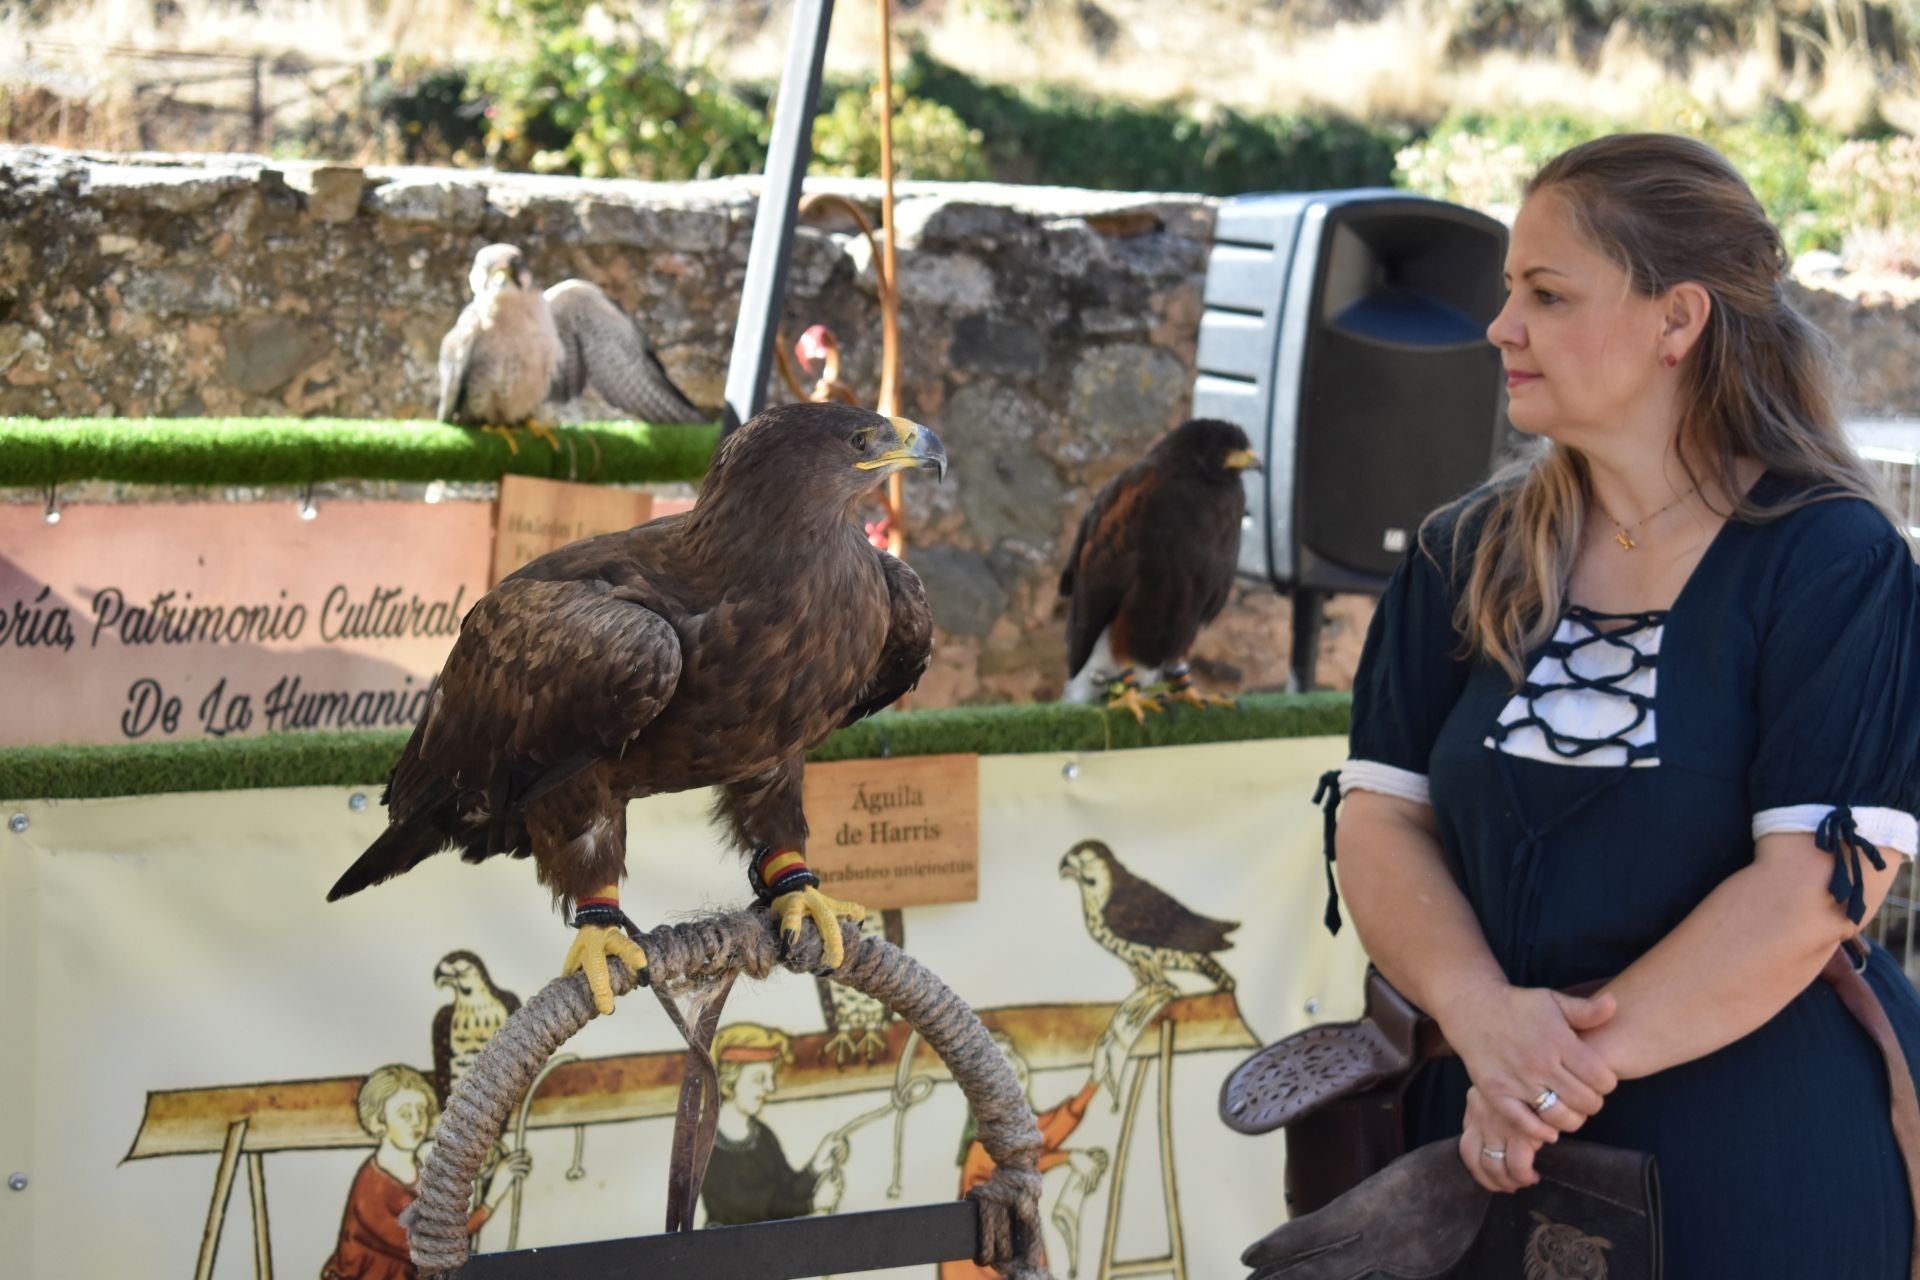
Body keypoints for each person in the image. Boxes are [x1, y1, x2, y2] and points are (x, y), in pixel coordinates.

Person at [1326, 132, 1920, 1277]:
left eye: (1547, 294)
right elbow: (1380, 815)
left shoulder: (1830, 562)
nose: (1502, 326)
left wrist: (1542, 1073)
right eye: (1509, 292)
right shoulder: (1465, 552)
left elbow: (1811, 890)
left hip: (1753, 1164)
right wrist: (1481, 1014)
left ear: (1676, 320)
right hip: (1483, 1144)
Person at [321, 1063, 530, 1280]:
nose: (416, 1121)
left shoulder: (417, 1170)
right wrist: (491, 1200)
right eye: (404, 1114)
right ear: (378, 1121)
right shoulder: (371, 1187)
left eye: (421, 1111)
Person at [943, 1032, 1103, 1280]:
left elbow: (1050, 1130)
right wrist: (1067, 1158)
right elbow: (1014, 1168)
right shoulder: (983, 1144)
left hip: (1013, 1243)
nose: (1015, 1064)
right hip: (979, 1261)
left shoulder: (1018, 1130)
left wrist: (1095, 1080)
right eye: (1001, 1060)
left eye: (1013, 1055)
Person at [701, 1023, 848, 1225]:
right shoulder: (705, 1144)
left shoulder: (761, 1134)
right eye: (759, 1078)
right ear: (728, 1081)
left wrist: (816, 1166)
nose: (770, 1088)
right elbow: (750, 1207)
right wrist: (812, 1205)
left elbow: (786, 1191)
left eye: (770, 1078)